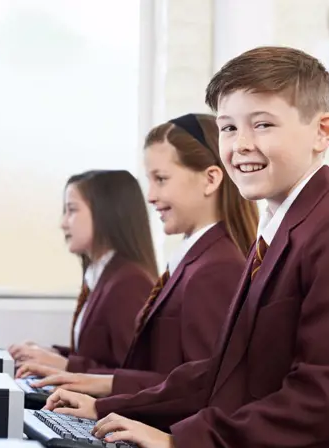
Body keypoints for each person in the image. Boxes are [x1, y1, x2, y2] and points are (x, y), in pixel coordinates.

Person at [44, 46, 329, 448]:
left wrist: (183, 444)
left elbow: (327, 394)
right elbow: (221, 375)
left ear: (323, 132)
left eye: (262, 125)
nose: (241, 144)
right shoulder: (277, 231)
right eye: (228, 128)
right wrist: (107, 406)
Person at [17, 113, 259, 397]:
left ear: (210, 179)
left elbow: (202, 389)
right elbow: (161, 372)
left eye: (161, 179)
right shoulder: (195, 261)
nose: (150, 196)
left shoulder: (216, 267)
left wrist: (92, 391)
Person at [9, 170, 157, 373]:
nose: (63, 223)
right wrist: (50, 354)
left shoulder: (129, 282)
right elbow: (96, 356)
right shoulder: (101, 274)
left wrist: (66, 366)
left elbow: (134, 377)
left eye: (72, 210)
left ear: (106, 213)